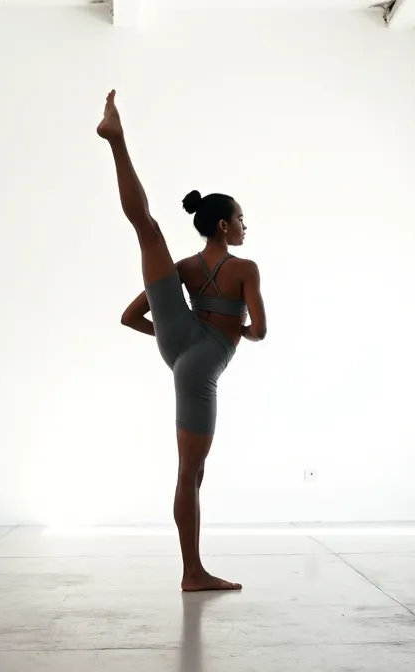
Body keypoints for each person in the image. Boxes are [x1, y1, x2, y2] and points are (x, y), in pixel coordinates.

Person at [97, 90, 267, 592]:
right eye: (240, 218)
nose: (243, 225)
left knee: (146, 229)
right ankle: (192, 572)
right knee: (190, 474)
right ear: (223, 224)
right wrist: (236, 331)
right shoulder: (246, 269)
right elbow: (259, 331)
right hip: (203, 360)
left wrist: (168, 343)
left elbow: (131, 316)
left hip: (175, 340)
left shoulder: (186, 268)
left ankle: (117, 142)